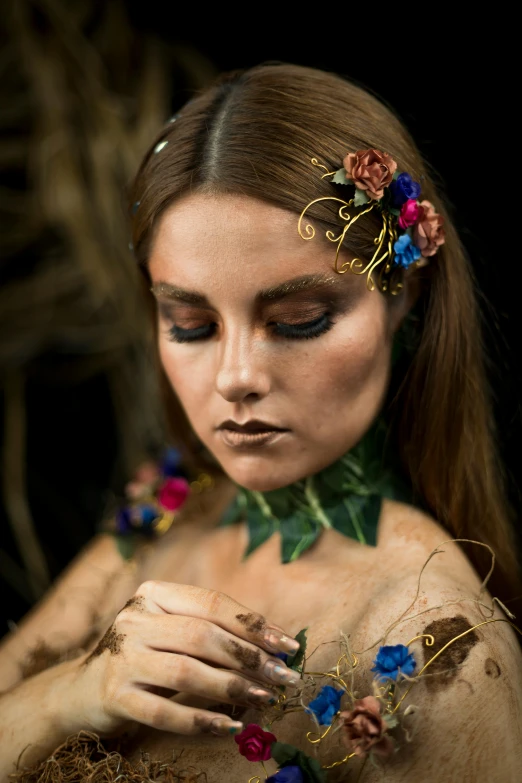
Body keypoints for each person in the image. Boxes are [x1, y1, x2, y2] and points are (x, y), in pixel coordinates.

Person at [1, 62, 521, 782]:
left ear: (405, 306)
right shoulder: (167, 514)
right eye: (189, 324)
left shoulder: (430, 640)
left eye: (299, 320)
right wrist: (64, 696)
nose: (234, 376)